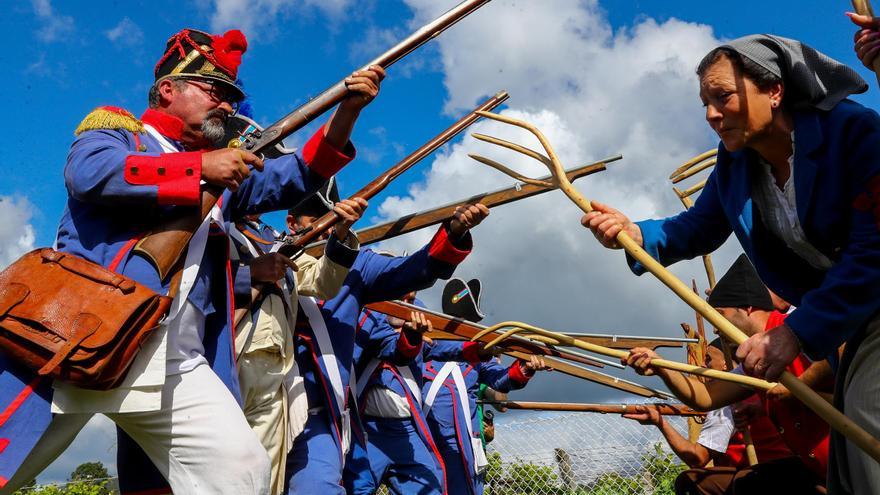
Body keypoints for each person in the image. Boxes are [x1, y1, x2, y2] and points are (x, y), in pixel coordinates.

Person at [0, 27, 383, 494]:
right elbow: (91, 174)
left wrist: (347, 111)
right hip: (83, 331)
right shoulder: (123, 132)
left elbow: (301, 174)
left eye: (229, 96)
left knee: (241, 471)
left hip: (174, 356)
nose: (226, 105)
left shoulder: (227, 178)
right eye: (214, 91)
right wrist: (201, 168)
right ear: (168, 90)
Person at [582, 34, 880, 493]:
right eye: (704, 102)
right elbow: (697, 227)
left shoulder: (852, 132)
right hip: (855, 320)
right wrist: (636, 233)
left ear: (774, 90)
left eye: (722, 97)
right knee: (855, 462)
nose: (710, 115)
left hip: (869, 299)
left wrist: (796, 332)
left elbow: (873, 251)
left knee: (868, 426)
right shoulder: (737, 164)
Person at [283, 195, 490, 494]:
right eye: (319, 220)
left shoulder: (357, 269)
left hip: (321, 413)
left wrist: (454, 232)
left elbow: (417, 270)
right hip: (260, 398)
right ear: (292, 224)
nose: (329, 229)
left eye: (335, 219)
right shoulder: (266, 253)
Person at [624, 255, 833, 494]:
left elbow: (845, 350)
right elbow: (706, 396)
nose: (715, 327)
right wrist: (663, 368)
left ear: (747, 308)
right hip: (815, 467)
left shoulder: (800, 328)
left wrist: (798, 387)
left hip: (853, 458)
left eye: (720, 315)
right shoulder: (754, 361)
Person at [232, 182, 366, 495]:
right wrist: (249, 272)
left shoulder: (278, 241)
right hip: (227, 358)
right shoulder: (214, 226)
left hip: (276, 371)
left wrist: (342, 233)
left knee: (264, 479)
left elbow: (324, 283)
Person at [346, 294, 496, 495]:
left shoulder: (419, 320)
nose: (407, 300)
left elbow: (442, 345)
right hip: (367, 429)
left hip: (407, 431)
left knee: (430, 488)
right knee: (355, 488)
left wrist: (479, 349)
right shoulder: (367, 317)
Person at [423, 354, 549, 495]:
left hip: (465, 445)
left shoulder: (477, 357)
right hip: (421, 441)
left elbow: (502, 385)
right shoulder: (421, 352)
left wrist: (524, 368)